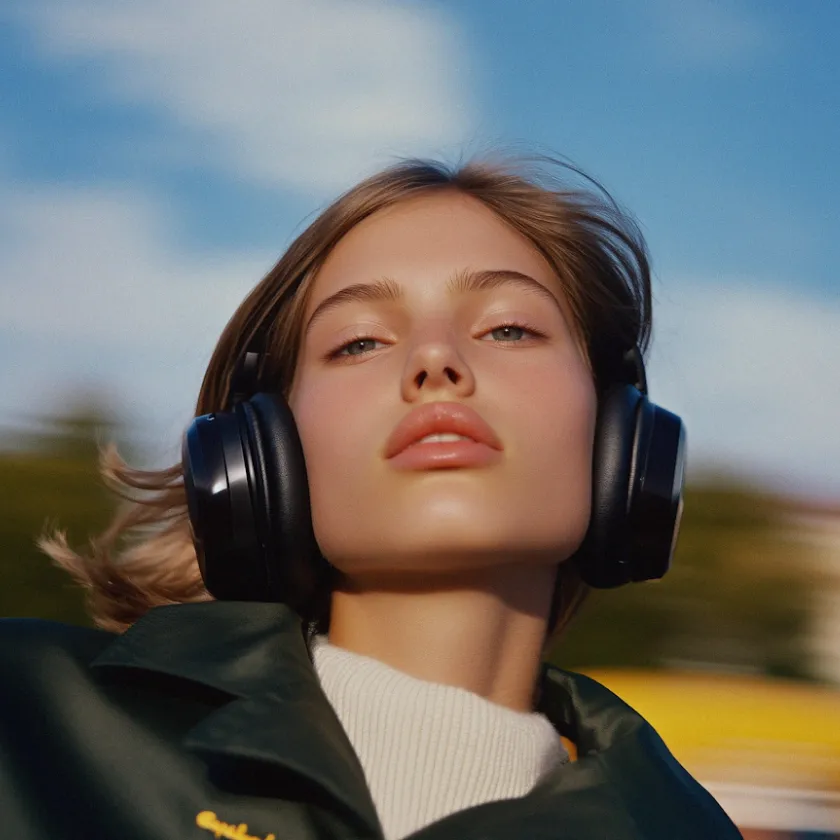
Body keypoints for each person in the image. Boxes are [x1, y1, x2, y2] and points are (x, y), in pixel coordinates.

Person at [0, 156, 741, 840]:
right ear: (263, 450)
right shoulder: (25, 721)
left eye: (509, 328)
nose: (436, 360)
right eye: (359, 342)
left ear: (619, 436)